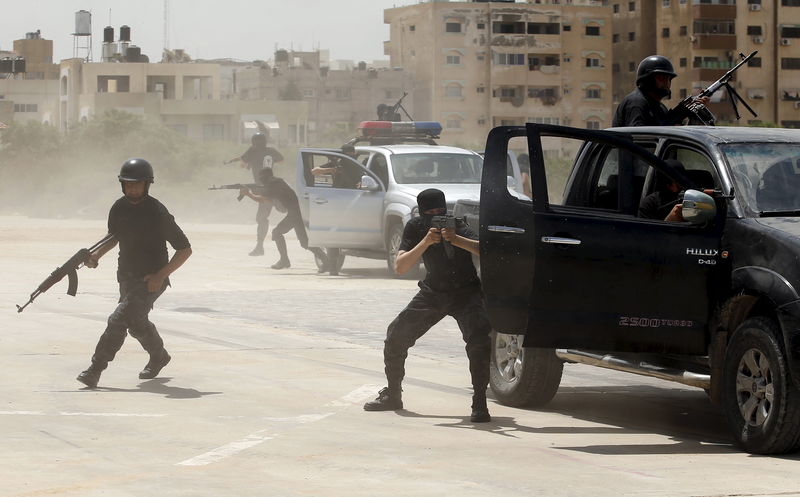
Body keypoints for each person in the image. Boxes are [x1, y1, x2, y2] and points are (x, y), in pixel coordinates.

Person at [363, 188, 493, 423]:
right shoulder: (415, 227)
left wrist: (456, 238)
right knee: (396, 336)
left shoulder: (458, 224)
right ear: (422, 213)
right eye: (431, 212)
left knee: (480, 342)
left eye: (441, 211)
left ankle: (480, 401)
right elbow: (400, 266)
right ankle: (393, 394)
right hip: (434, 292)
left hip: (466, 293)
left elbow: (484, 250)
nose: (437, 215)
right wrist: (426, 241)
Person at [76, 159, 192, 388]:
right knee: (135, 323)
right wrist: (96, 256)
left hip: (151, 280)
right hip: (126, 276)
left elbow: (185, 249)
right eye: (128, 185)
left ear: (147, 185)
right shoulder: (118, 208)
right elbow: (114, 236)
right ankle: (159, 356)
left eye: (137, 184)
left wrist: (160, 276)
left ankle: (95, 369)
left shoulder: (157, 212)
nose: (133, 189)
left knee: (118, 319)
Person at [239, 168, 332, 273]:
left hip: (295, 213)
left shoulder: (273, 184)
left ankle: (284, 260)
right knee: (304, 242)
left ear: (266, 177)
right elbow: (271, 199)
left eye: (262, 178)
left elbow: (263, 199)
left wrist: (248, 194)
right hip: (297, 211)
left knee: (277, 233)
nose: (262, 180)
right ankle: (326, 261)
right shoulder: (278, 182)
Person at [613, 55, 709, 127]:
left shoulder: (660, 108)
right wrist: (678, 114)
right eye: (661, 78)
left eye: (668, 79)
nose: (667, 83)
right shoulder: (636, 103)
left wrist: (693, 112)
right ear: (648, 80)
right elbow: (641, 138)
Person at [236, 130, 284, 256]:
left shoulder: (252, 151)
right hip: (272, 186)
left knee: (261, 218)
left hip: (264, 189)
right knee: (285, 211)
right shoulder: (271, 151)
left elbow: (242, 164)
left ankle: (260, 247)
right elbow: (281, 160)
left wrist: (250, 163)